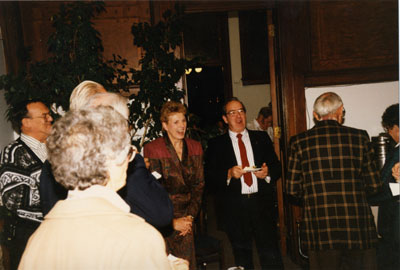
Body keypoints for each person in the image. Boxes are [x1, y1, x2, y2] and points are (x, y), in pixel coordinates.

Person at [19, 106, 187, 270]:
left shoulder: (39, 239)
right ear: (112, 162)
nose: (130, 160)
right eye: (128, 152)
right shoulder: (139, 237)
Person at [39, 80, 173, 228]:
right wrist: (136, 162)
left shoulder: (52, 162)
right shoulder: (119, 159)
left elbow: (52, 219)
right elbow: (161, 213)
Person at [286, 92, 382, 270]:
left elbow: (292, 190)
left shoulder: (298, 142)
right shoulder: (360, 137)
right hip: (357, 227)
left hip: (320, 227)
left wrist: (314, 199)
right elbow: (375, 185)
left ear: (315, 115)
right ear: (340, 111)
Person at [205, 97, 283, 269]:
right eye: (232, 113)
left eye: (241, 111)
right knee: (242, 257)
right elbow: (209, 178)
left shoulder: (261, 138)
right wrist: (228, 173)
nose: (238, 116)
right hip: (235, 208)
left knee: (271, 254)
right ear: (225, 119)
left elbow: (277, 166)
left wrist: (267, 172)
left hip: (261, 204)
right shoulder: (216, 145)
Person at [143, 101, 205, 270]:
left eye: (183, 121)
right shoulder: (153, 149)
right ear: (165, 125)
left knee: (186, 265)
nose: (181, 126)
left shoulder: (195, 147)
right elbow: (153, 191)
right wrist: (171, 222)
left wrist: (190, 218)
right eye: (175, 122)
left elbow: (199, 186)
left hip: (187, 217)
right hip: (162, 218)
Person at [0, 100, 53, 270]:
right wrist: (55, 192)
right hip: (28, 235)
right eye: (44, 116)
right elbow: (12, 197)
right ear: (26, 122)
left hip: (56, 231)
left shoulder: (56, 148)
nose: (50, 118)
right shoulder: (14, 152)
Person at [372, 103, 399, 270]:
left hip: (395, 221)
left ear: (396, 127)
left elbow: (386, 187)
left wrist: (365, 196)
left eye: (389, 129)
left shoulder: (397, 152)